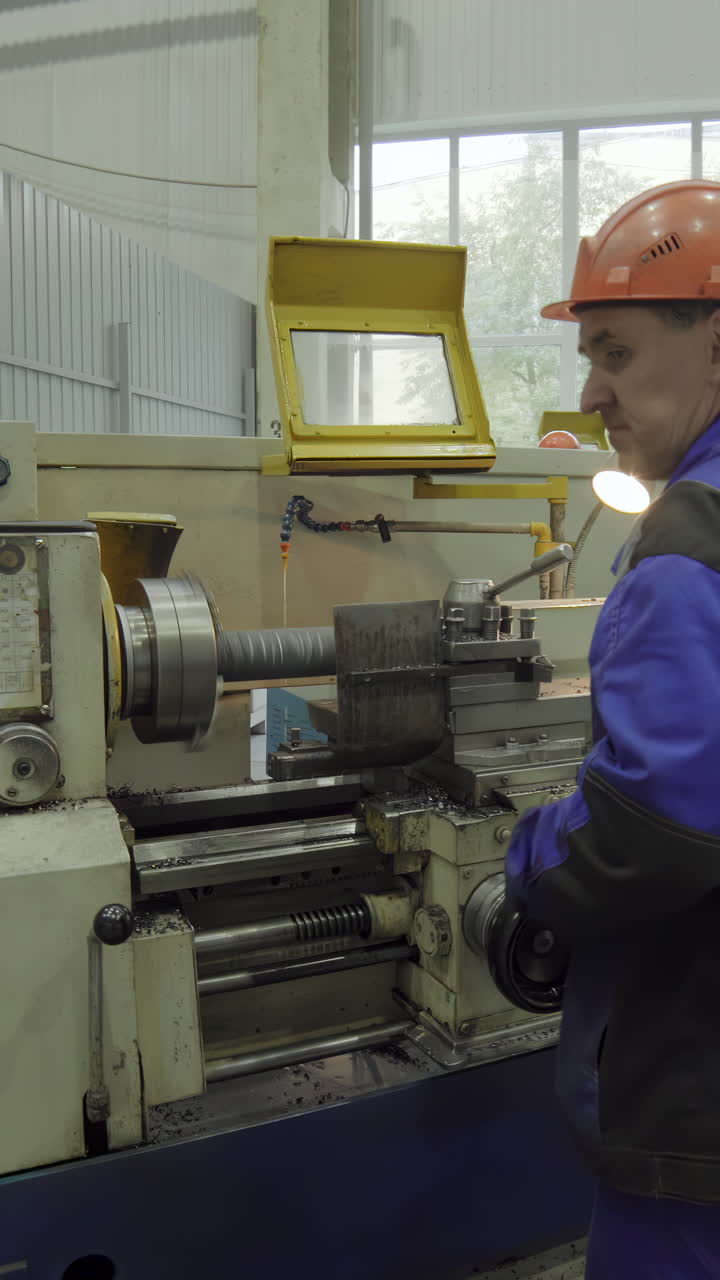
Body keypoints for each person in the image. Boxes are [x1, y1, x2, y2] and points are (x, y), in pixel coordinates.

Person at [505, 179, 720, 1278]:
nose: (592, 390)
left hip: (693, 1113)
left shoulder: (689, 541)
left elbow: (651, 832)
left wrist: (529, 857)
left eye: (618, 352)